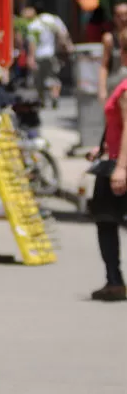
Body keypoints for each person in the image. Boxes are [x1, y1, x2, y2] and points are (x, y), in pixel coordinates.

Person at [86, 28, 127, 302]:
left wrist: (121, 167)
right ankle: (113, 280)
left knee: (107, 221)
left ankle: (114, 280)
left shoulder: (125, 87)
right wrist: (101, 148)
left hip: (120, 164)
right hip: (112, 157)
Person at [24, 3, 72, 109]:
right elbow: (64, 34)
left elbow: (32, 43)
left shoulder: (34, 24)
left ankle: (42, 100)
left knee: (39, 80)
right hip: (52, 54)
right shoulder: (55, 20)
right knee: (53, 77)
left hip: (39, 55)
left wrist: (30, 57)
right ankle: (54, 96)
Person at [98, 2, 127, 105]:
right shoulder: (109, 39)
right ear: (114, 18)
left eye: (126, 14)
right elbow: (104, 66)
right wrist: (102, 89)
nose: (123, 18)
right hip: (115, 84)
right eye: (120, 15)